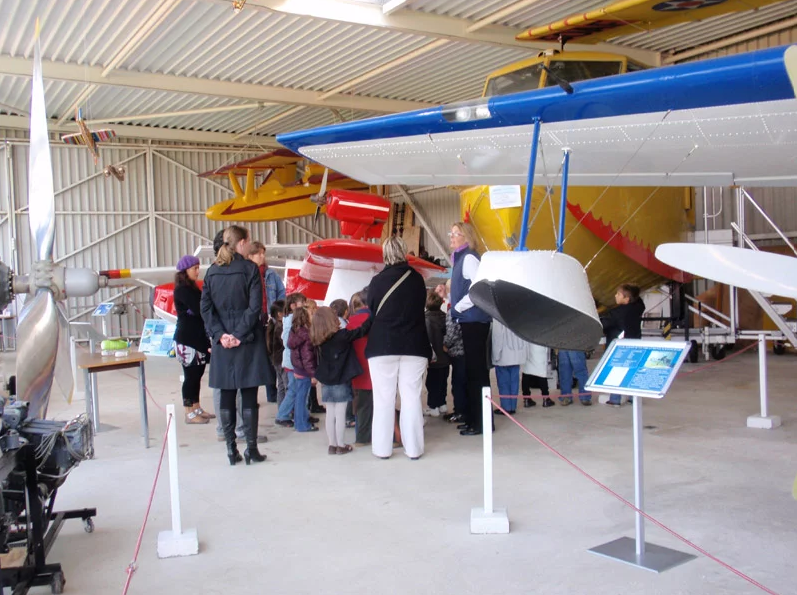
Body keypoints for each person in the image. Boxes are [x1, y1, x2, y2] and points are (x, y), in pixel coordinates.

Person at [201, 225, 270, 466]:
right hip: (247, 342)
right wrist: (239, 335)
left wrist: (221, 335)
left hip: (223, 345)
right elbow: (255, 308)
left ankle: (232, 450)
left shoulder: (211, 272)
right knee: (249, 396)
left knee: (226, 397)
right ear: (241, 243)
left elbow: (206, 309)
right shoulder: (250, 270)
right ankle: (251, 449)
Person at [366, 236, 430, 460]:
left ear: (384, 254)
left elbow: (373, 311)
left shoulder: (376, 281)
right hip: (414, 344)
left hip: (382, 345)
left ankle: (382, 449)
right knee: (411, 397)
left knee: (383, 399)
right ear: (405, 252)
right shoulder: (417, 279)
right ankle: (413, 449)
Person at [448, 222, 492, 436]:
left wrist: (457, 307)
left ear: (467, 237)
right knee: (472, 372)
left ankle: (482, 422)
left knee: (477, 373)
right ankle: (475, 419)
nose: (452, 237)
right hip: (468, 321)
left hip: (474, 320)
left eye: (456, 233)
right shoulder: (460, 258)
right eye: (452, 233)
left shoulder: (469, 258)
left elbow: (477, 290)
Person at [312, 307, 372, 454]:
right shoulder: (342, 336)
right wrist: (372, 317)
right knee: (340, 413)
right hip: (340, 379)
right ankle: (341, 445)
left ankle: (332, 445)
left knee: (330, 413)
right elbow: (361, 331)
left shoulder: (319, 339)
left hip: (326, 380)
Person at [173, 255, 212, 425]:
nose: (198, 271)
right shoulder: (182, 290)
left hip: (198, 337)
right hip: (187, 339)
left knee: (198, 373)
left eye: (198, 267)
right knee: (190, 376)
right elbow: (198, 309)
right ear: (185, 271)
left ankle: (196, 406)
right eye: (194, 268)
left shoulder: (194, 288)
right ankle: (189, 411)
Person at [603, 284, 645, 406]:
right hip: (635, 343)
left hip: (620, 347)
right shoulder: (638, 307)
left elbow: (604, 324)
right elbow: (639, 301)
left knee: (616, 372)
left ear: (626, 299)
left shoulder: (616, 313)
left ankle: (615, 399)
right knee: (632, 371)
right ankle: (633, 398)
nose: (615, 295)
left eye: (619, 294)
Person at [248, 241, 277, 404]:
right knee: (253, 358)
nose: (262, 256)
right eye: (259, 253)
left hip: (269, 319)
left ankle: (272, 392)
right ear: (250, 256)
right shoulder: (246, 274)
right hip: (254, 320)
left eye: (263, 253)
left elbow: (280, 294)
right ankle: (251, 394)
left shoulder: (270, 274)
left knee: (270, 357)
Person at [286, 307, 320, 432]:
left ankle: (301, 420)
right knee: (302, 397)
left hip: (298, 368)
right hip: (305, 370)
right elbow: (308, 357)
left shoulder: (293, 331)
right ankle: (301, 424)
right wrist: (313, 374)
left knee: (300, 396)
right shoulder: (306, 334)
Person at [275, 293, 306, 427]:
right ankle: (282, 415)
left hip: (291, 360)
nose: (304, 305)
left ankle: (299, 413)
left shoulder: (289, 319)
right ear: (293, 305)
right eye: (302, 303)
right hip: (292, 361)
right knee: (294, 389)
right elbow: (288, 341)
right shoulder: (291, 321)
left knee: (295, 389)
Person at [347, 290, 373, 446]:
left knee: (360, 404)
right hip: (372, 366)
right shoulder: (373, 319)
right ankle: (364, 438)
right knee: (375, 404)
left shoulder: (351, 320)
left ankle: (361, 435)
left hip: (356, 368)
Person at [442, 279, 466, 423]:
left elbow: (451, 333)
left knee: (458, 384)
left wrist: (444, 344)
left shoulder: (453, 310)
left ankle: (460, 412)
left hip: (457, 351)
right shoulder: (466, 306)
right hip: (468, 349)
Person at [491, 320, 526, 415]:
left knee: (504, 383)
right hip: (517, 354)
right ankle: (512, 406)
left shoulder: (498, 315)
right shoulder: (518, 314)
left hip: (504, 355)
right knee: (514, 382)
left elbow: (497, 336)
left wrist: (496, 355)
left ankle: (506, 407)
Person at [424, 290, 449, 417]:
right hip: (445, 357)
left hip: (433, 358)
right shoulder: (445, 317)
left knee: (431, 383)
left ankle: (433, 406)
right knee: (443, 381)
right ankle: (442, 404)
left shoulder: (425, 318)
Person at [266, 300, 287, 407]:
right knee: (287, 386)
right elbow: (286, 342)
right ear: (280, 314)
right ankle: (287, 412)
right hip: (282, 360)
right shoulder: (280, 327)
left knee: (281, 386)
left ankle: (282, 411)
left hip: (276, 360)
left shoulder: (273, 325)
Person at [522, 343, 555, 408]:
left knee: (526, 373)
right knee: (542, 373)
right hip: (539, 346)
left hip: (527, 346)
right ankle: (546, 399)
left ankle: (526, 399)